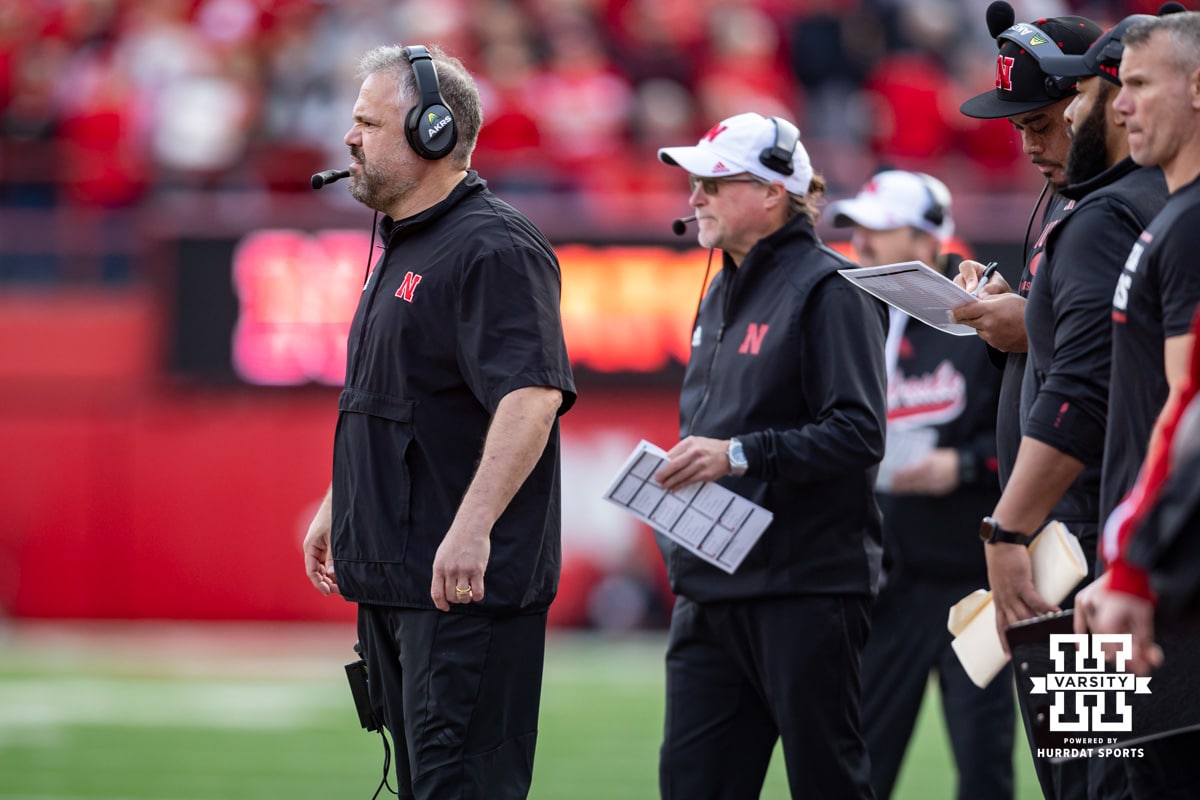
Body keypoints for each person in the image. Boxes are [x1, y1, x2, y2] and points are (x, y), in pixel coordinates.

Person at [300, 44, 576, 800]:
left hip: (461, 589)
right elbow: (394, 400)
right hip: (402, 579)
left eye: (366, 122)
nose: (349, 138)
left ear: (431, 131)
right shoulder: (403, 245)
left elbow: (532, 397)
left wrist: (473, 525)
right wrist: (340, 505)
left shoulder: (493, 246)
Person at [956, 6, 1173, 800]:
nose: (1036, 142)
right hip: (1105, 536)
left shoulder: (1108, 214)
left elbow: (1085, 391)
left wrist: (1006, 529)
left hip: (1080, 545)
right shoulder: (1146, 204)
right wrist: (1025, 322)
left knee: (1091, 780)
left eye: (1051, 117)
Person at [651, 111, 888, 799]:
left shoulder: (831, 288)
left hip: (804, 587)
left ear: (771, 192)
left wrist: (739, 455)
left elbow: (858, 434)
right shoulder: (720, 285)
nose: (694, 196)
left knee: (827, 784)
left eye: (713, 181)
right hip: (710, 586)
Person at [829, 170, 1013, 800]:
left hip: (976, 579)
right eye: (858, 228)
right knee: (864, 762)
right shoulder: (856, 315)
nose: (863, 243)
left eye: (879, 229)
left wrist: (961, 467)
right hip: (890, 583)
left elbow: (1030, 436)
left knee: (984, 762)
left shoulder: (981, 312)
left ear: (929, 236)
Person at [1065, 11, 1200, 798]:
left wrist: (1133, 565)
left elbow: (1187, 410)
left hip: (1169, 589)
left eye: (1139, 85)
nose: (1119, 106)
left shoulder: (1186, 230)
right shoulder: (1167, 218)